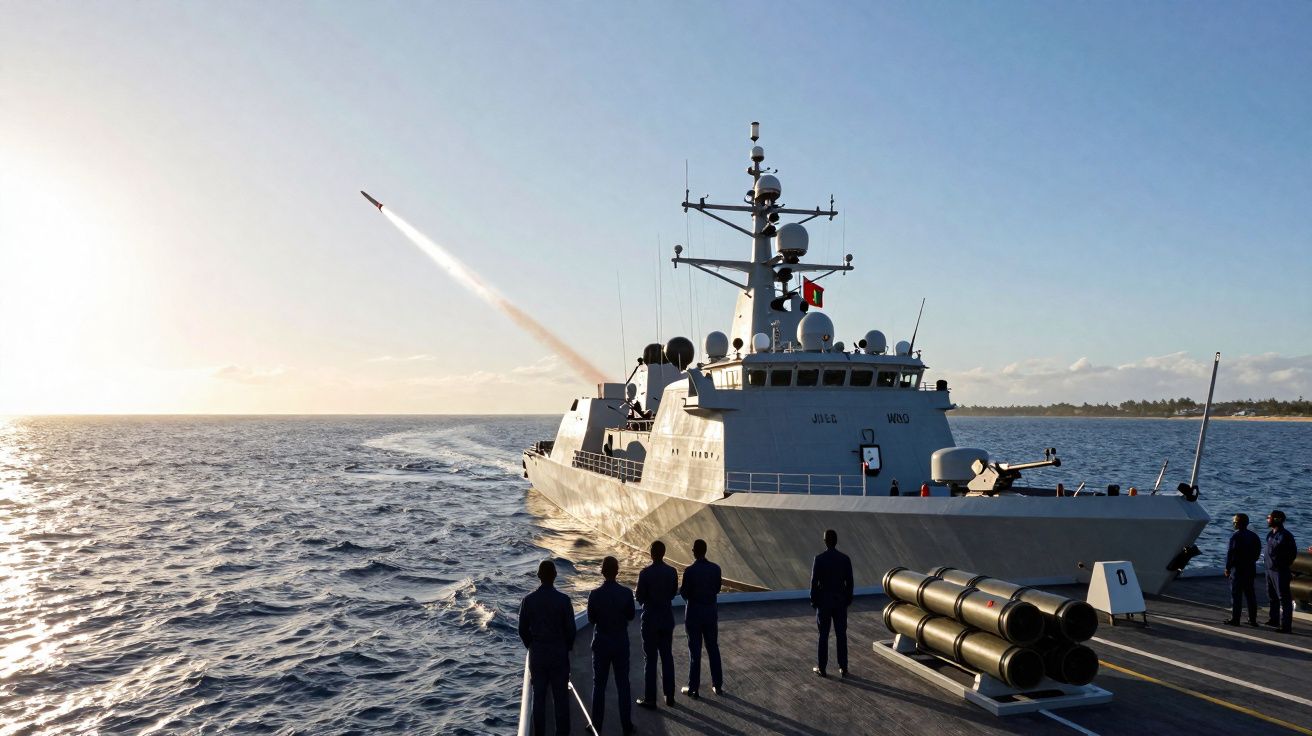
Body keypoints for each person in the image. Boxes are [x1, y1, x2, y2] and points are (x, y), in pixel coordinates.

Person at [519, 559, 576, 736]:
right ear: (555, 576)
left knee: (539, 698)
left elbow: (522, 629)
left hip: (538, 653)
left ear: (538, 576)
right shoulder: (564, 600)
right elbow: (571, 630)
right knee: (561, 699)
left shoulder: (528, 601)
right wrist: (565, 647)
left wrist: (532, 645)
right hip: (558, 652)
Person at [587, 556, 636, 735]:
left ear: (602, 571)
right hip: (620, 642)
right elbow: (631, 615)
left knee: (599, 685)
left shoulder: (594, 594)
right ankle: (626, 725)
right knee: (623, 684)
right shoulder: (626, 593)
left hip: (601, 642)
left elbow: (591, 619)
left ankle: (596, 725)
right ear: (617, 571)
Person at [635, 541, 678, 709]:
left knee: (650, 660)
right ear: (664, 553)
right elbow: (674, 592)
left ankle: (651, 699)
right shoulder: (672, 572)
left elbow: (639, 596)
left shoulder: (645, 573)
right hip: (666, 618)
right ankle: (670, 696)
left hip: (650, 619)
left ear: (652, 554)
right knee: (667, 657)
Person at [679, 538, 723, 698]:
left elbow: (684, 592)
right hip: (710, 614)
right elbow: (717, 589)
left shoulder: (689, 571)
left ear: (694, 551)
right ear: (705, 551)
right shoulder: (716, 569)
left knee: (695, 652)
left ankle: (693, 688)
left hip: (694, 615)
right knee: (713, 648)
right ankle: (717, 685)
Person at [810, 529, 855, 678]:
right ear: (836, 541)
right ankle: (843, 667)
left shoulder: (819, 559)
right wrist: (847, 599)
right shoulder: (845, 559)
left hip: (824, 602)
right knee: (841, 634)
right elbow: (850, 583)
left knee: (823, 635)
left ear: (825, 541)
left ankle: (822, 668)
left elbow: (814, 583)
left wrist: (814, 601)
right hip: (840, 602)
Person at [1223, 513, 1262, 626]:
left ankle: (1236, 619)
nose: (1233, 524)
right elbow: (1257, 552)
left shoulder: (1235, 536)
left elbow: (1231, 553)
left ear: (1238, 523)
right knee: (1250, 594)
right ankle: (1253, 619)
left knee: (1236, 595)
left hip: (1238, 570)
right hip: (1250, 568)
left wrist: (1228, 568)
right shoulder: (1254, 536)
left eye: (1235, 522)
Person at [1264, 509, 1297, 633]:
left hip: (1279, 571)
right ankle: (1274, 619)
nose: (1267, 519)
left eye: (1269, 517)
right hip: (1269, 570)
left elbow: (1292, 554)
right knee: (1272, 596)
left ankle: (1285, 625)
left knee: (1284, 598)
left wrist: (1282, 565)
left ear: (1277, 519)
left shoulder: (1285, 536)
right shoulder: (1271, 534)